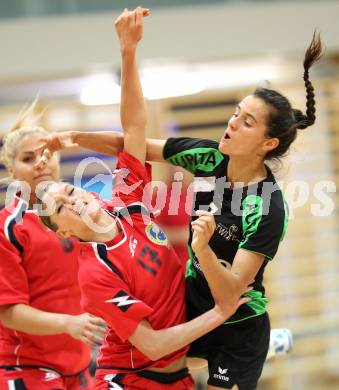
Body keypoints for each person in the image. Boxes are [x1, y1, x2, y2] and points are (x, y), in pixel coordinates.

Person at [37, 14, 323, 390]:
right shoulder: (207, 156)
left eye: (247, 121)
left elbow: (231, 294)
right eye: (236, 113)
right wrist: (75, 137)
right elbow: (134, 140)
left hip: (232, 323)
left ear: (268, 144)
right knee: (171, 351)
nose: (233, 122)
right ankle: (269, 345)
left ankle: (262, 345)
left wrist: (202, 250)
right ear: (63, 232)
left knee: (199, 351)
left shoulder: (267, 208)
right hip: (182, 323)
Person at [0, 96, 106, 389]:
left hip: (80, 364)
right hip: (26, 367)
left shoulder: (82, 211)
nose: (40, 164)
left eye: (47, 154)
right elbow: (8, 312)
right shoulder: (8, 227)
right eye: (27, 159)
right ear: (12, 170)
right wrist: (69, 324)